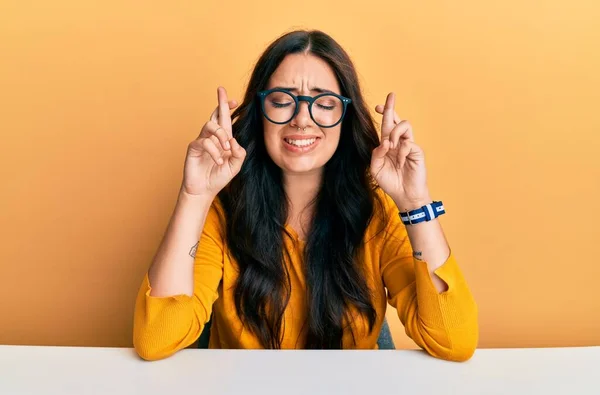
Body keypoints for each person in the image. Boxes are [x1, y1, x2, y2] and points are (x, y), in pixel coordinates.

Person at [132, 30, 478, 360]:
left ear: (345, 117)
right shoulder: (221, 212)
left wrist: (415, 203)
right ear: (260, 112)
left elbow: (453, 340)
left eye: (324, 104)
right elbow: (155, 338)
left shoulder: (378, 215)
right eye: (282, 101)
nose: (301, 120)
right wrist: (194, 195)